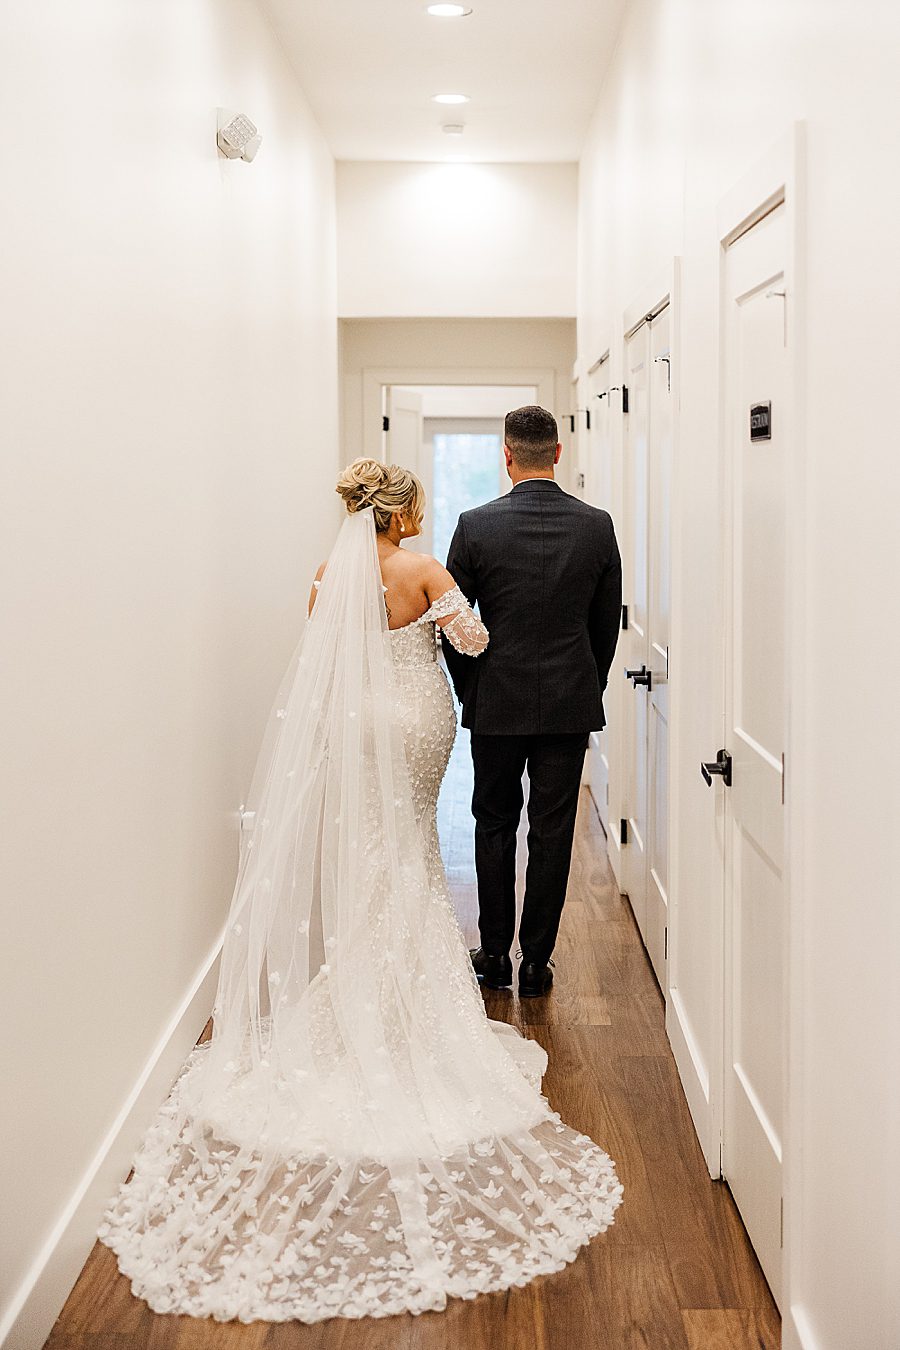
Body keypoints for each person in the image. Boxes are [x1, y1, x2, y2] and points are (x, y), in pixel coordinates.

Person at [97, 458, 622, 1324]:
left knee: (378, 854)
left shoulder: (324, 577)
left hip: (359, 725)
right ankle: (437, 988)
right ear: (403, 510)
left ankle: (361, 990)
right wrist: (483, 625)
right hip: (417, 722)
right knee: (412, 848)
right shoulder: (423, 571)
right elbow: (474, 642)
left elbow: (327, 658)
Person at [443, 406, 622, 998]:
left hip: (496, 701)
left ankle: (493, 954)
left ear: (507, 454)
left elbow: (450, 621)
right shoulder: (597, 526)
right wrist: (584, 685)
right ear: (559, 453)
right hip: (569, 704)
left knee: (493, 823)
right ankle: (536, 963)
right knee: (552, 830)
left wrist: (472, 685)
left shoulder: (475, 525)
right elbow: (605, 628)